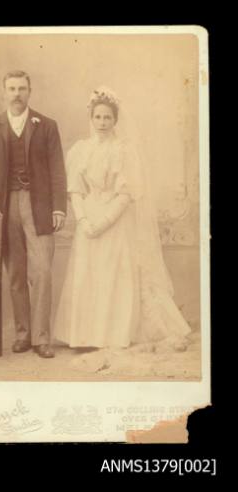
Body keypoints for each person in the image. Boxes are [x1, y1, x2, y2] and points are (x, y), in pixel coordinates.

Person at [53, 86, 191, 349]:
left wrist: (104, 222)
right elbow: (75, 190)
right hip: (88, 220)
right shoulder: (80, 150)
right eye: (98, 117)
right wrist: (83, 221)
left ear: (116, 120)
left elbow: (126, 194)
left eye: (108, 117)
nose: (103, 123)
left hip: (115, 220)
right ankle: (86, 336)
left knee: (113, 274)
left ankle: (113, 335)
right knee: (88, 275)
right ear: (91, 119)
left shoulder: (125, 150)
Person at [0, 70, 67, 358]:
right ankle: (23, 335)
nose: (17, 94)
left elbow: (57, 170)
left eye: (22, 88)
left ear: (30, 91)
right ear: (4, 91)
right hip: (5, 207)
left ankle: (41, 339)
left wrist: (59, 207)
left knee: (42, 272)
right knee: (16, 273)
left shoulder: (47, 126)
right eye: (12, 88)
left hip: (39, 206)